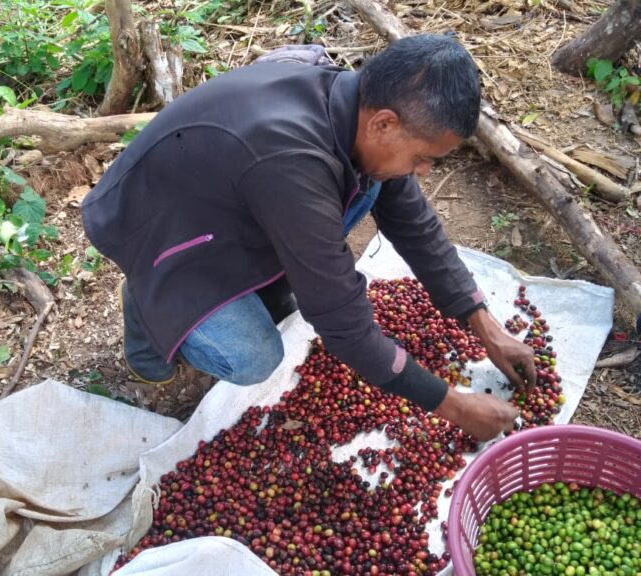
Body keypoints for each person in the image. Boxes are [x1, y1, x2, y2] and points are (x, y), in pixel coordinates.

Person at [81, 34, 536, 441]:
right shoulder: (291, 162)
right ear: (384, 123)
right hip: (154, 227)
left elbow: (414, 224)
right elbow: (345, 327)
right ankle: (146, 304)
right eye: (422, 158)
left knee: (372, 186)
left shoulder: (354, 108)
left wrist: (484, 325)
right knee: (254, 358)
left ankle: (249, 277)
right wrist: (453, 406)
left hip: (222, 201)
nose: (423, 171)